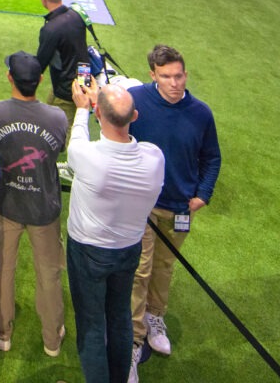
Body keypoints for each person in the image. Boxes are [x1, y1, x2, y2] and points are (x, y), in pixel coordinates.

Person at [65, 80, 164, 383]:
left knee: (92, 324)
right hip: (129, 250)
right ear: (135, 117)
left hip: (88, 251)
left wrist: (84, 109)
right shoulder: (154, 157)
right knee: (120, 317)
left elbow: (77, 144)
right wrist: (98, 106)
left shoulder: (88, 156)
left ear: (98, 114)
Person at [128, 45, 222, 366]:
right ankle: (134, 337)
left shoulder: (201, 113)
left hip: (179, 209)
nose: (174, 83)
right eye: (166, 76)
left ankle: (155, 317)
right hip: (143, 208)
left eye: (179, 75)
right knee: (139, 271)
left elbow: (211, 157)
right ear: (153, 75)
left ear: (186, 74)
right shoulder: (136, 101)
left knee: (164, 268)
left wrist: (203, 194)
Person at [0, 52, 69, 358]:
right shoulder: (57, 118)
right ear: (40, 80)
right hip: (44, 208)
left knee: (2, 270)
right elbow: (59, 147)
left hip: (6, 204)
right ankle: (52, 338)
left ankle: (2, 333)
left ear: (10, 78)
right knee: (50, 274)